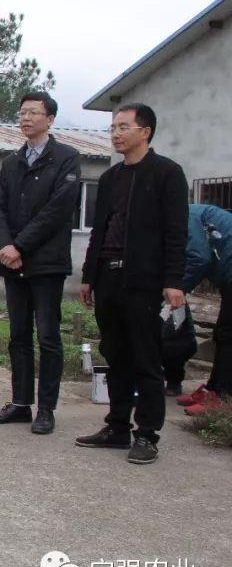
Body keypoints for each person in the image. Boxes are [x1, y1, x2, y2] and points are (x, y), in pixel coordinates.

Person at [77, 103, 188, 465]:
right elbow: (99, 231)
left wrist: (173, 281)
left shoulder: (167, 174)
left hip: (144, 279)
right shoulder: (110, 178)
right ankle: (117, 426)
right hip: (108, 275)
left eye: (123, 127)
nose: (115, 134)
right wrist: (89, 276)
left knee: (146, 357)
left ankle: (147, 434)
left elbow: (176, 233)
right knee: (115, 353)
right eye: (113, 128)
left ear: (146, 131)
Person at [0, 92, 81, 434]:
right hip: (13, 263)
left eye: (33, 113)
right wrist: (5, 246)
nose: (26, 118)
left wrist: (20, 245)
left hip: (47, 263)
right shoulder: (12, 162)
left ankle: (46, 409)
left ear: (50, 119)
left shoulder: (66, 158)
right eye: (22, 112)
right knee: (18, 335)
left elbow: (58, 210)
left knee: (49, 336)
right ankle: (21, 403)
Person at [176, 203, 232, 414]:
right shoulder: (189, 214)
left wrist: (179, 288)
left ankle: (222, 396)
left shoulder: (186, 215)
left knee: (228, 335)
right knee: (221, 333)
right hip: (228, 273)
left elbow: (199, 258)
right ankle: (212, 389)